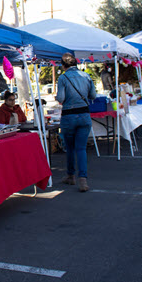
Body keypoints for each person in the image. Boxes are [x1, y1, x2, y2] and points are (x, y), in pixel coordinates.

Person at [56, 53, 96, 192]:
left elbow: (61, 97)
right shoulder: (86, 76)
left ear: (63, 65)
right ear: (76, 63)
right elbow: (93, 96)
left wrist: (58, 97)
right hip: (84, 115)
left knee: (70, 148)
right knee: (81, 148)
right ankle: (83, 180)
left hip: (69, 116)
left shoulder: (63, 77)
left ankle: (70, 176)